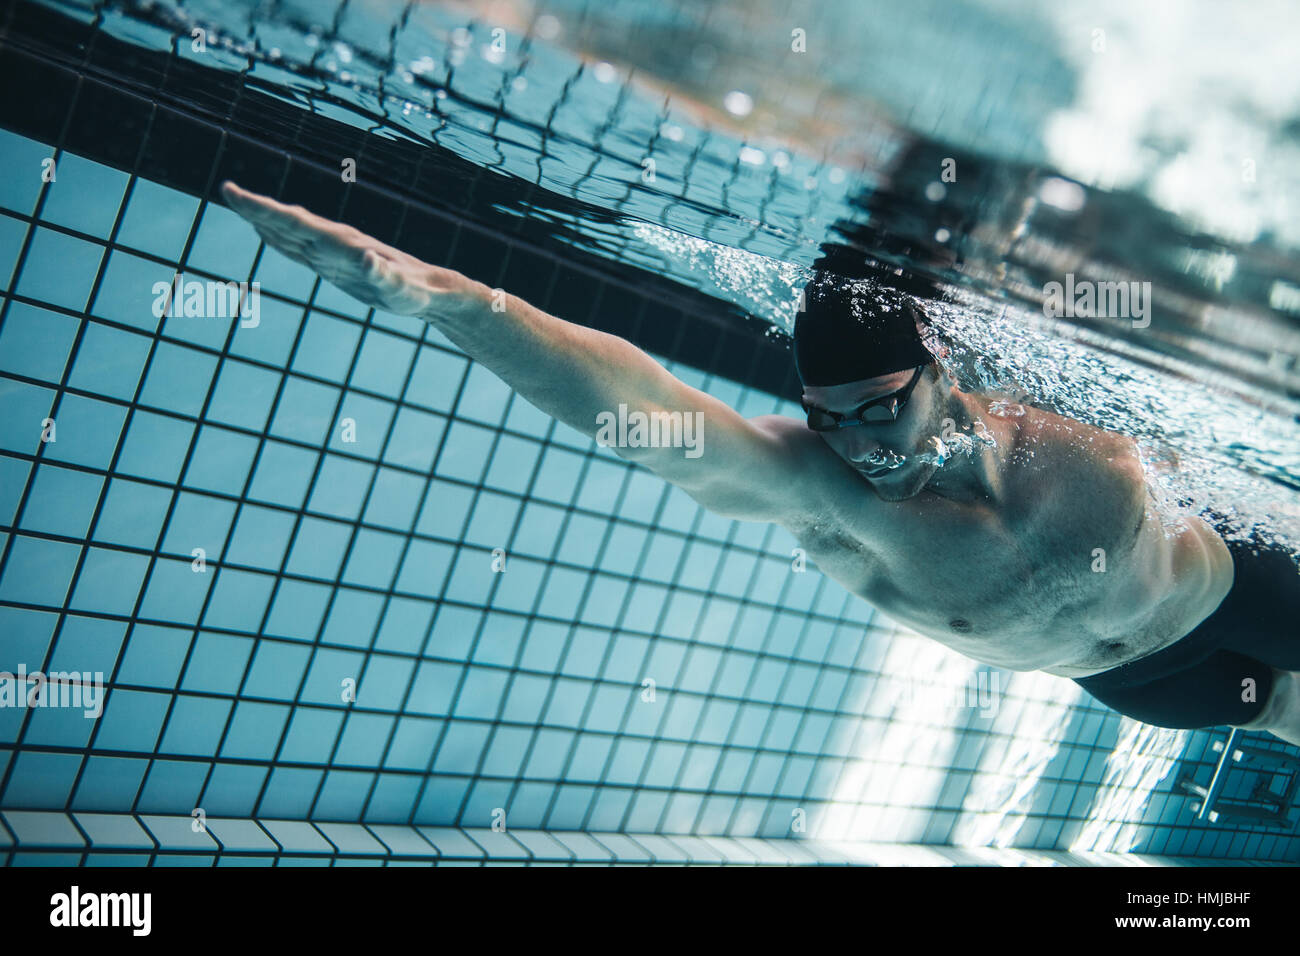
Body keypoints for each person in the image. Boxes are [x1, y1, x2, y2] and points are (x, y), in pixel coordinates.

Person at [220, 181, 1300, 745]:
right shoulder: (829, 498)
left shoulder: (1065, 413)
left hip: (1239, 590)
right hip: (1137, 685)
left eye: (880, 409)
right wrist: (451, 301)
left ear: (945, 369)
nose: (862, 448)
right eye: (830, 422)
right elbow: (637, 410)